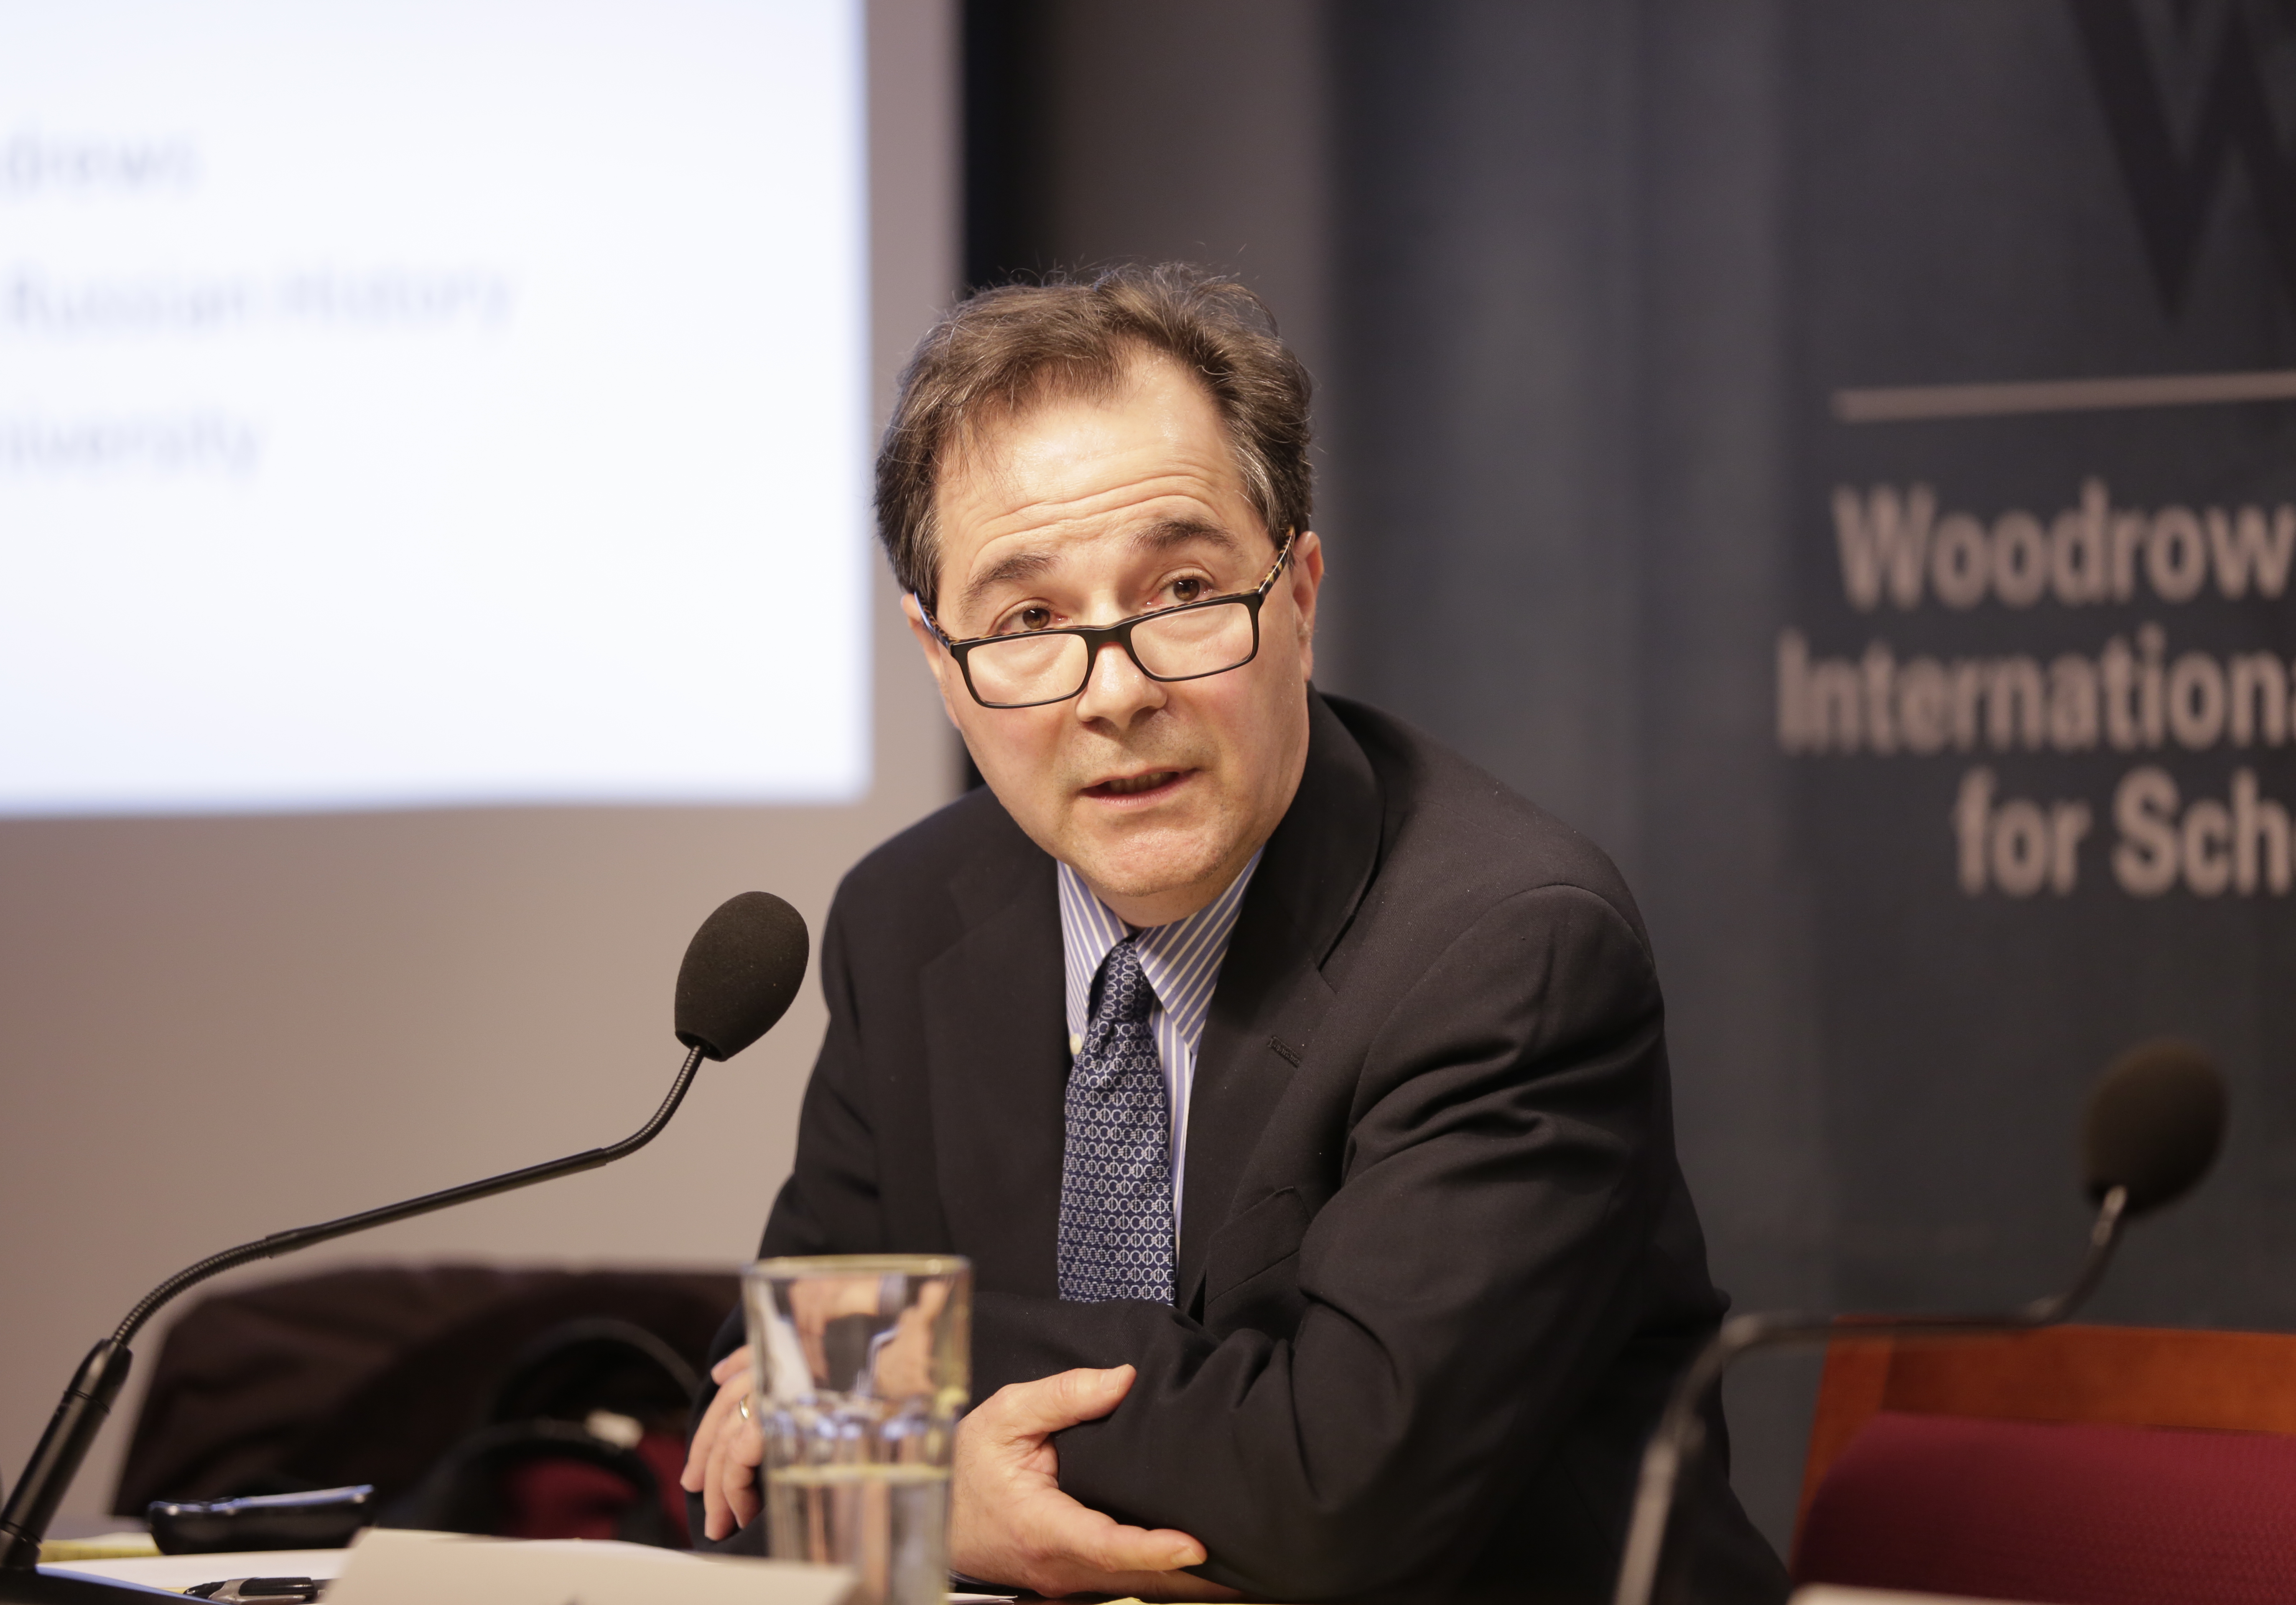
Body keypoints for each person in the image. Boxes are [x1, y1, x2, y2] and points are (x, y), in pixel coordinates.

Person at [682, 265, 1788, 1603]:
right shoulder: (907, 922)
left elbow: (1334, 1494)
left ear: (1299, 595)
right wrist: (896, 1461)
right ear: (938, 658)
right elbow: (762, 1459)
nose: (1118, 690)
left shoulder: (1507, 949)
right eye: (1028, 622)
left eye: (1185, 589)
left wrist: (922, 1370)